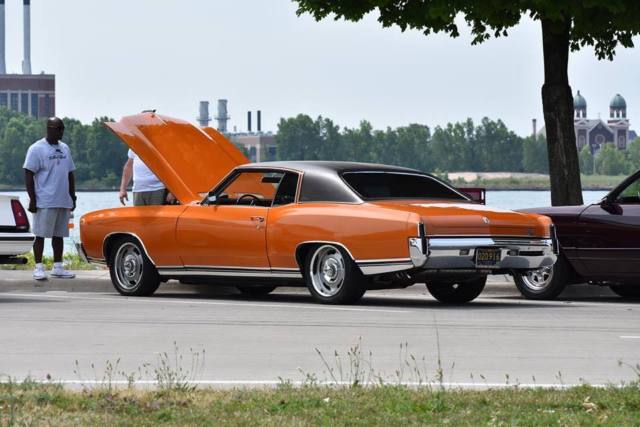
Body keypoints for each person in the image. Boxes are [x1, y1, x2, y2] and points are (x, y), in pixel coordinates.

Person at [23, 117, 77, 281]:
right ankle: (38, 267)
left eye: (63, 128)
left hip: (63, 199)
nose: (62, 131)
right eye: (59, 128)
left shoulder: (65, 148)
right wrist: (32, 199)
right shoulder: (36, 149)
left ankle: (58, 267)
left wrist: (72, 196)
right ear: (49, 128)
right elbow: (28, 173)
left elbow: (70, 173)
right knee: (40, 234)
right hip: (44, 200)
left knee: (59, 235)